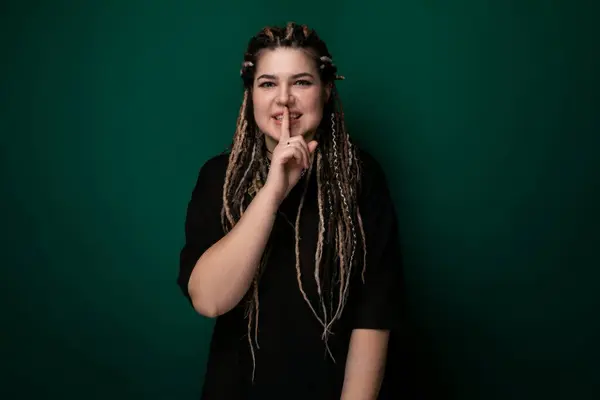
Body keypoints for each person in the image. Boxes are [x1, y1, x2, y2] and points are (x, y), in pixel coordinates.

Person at [178, 22, 402, 399]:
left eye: (301, 82)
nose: (284, 99)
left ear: (327, 89)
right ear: (250, 94)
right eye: (267, 83)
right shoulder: (217, 177)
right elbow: (210, 299)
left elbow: (375, 315)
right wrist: (272, 192)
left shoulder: (363, 177)